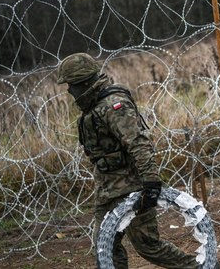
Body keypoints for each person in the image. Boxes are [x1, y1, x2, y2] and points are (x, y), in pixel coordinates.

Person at [56, 53, 205, 269]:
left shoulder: (114, 106)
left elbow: (139, 144)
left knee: (148, 246)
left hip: (132, 188)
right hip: (107, 190)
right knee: (104, 246)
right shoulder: (93, 108)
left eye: (71, 84)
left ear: (85, 83)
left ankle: (200, 266)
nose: (69, 90)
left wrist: (151, 184)